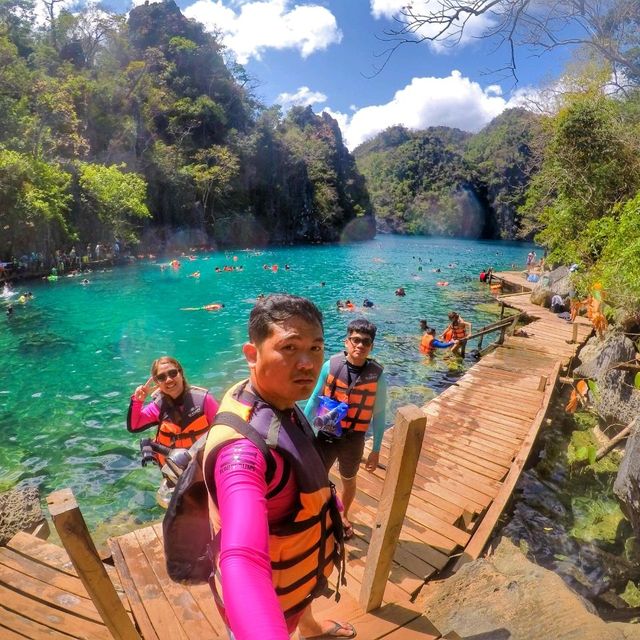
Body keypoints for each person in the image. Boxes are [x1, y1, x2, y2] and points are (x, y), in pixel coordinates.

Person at [202, 294, 354, 640]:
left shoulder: (276, 398)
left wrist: (335, 506)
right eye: (290, 348)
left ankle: (311, 629)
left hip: (299, 570)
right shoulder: (243, 454)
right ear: (252, 355)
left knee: (304, 600)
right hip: (273, 597)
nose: (308, 364)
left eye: (316, 349)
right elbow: (242, 559)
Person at [304, 318, 387, 541]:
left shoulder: (377, 376)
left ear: (371, 347)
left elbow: (379, 416)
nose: (360, 345)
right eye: (355, 340)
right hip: (327, 434)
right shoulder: (330, 366)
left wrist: (376, 449)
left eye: (366, 342)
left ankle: (344, 515)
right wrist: (302, 431)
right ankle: (318, 514)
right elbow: (313, 401)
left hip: (354, 438)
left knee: (348, 478)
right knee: (317, 477)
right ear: (347, 341)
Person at [127, 356, 219, 467]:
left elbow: (223, 431)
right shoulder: (158, 407)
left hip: (205, 465)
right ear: (157, 382)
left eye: (172, 373)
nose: (169, 380)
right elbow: (134, 426)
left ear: (181, 373)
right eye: (161, 377)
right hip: (174, 470)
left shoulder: (204, 400)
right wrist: (138, 400)